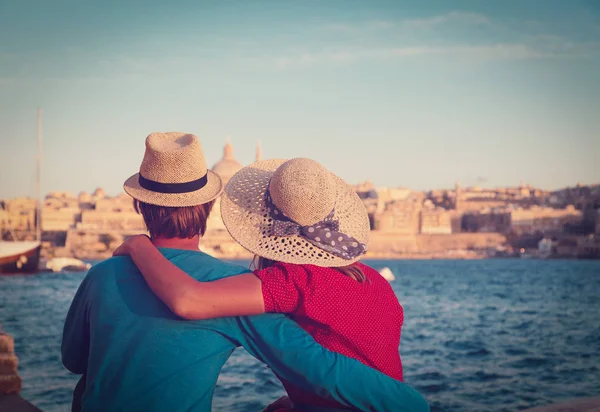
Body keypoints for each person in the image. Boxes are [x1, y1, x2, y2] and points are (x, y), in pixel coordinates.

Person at [62, 132, 429, 412]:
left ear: (138, 202)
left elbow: (73, 359)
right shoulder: (233, 289)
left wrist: (136, 245)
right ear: (209, 204)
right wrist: (410, 403)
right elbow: (318, 368)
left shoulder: (100, 275)